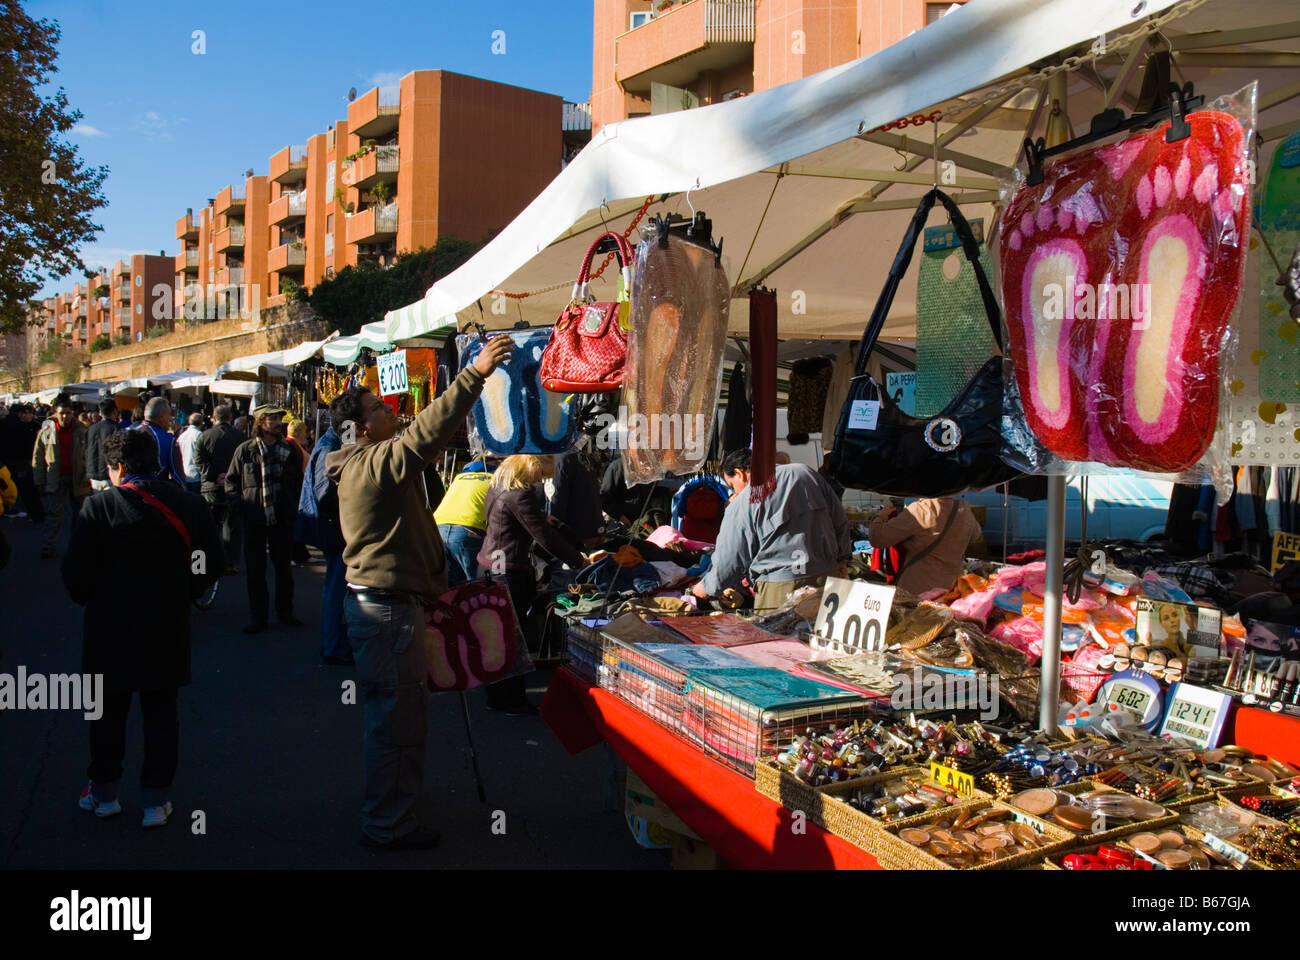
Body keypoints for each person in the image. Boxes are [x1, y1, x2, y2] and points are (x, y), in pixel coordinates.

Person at [324, 334, 513, 849]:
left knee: (397, 718)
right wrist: (473, 375)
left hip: (388, 608)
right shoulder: (371, 464)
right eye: (378, 407)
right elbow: (424, 437)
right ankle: (388, 822)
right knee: (397, 724)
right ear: (362, 427)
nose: (391, 410)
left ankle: (392, 807)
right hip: (384, 613)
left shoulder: (367, 462)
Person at [62, 428, 220, 827]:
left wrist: (93, 596)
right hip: (166, 625)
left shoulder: (98, 509)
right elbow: (208, 564)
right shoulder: (189, 505)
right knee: (161, 715)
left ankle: (104, 793)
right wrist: (188, 588)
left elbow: (76, 573)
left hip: (109, 627)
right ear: (157, 460)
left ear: (116, 468)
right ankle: (155, 801)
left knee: (107, 714)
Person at [478, 454, 587, 714]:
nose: (542, 480)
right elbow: (544, 537)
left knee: (496, 636)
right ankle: (513, 700)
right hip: (507, 571)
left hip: (489, 565)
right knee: (514, 638)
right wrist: (577, 560)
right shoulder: (521, 495)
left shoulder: (499, 485)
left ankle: (495, 696)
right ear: (531, 468)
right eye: (542, 474)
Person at [692, 449, 851, 612]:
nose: (734, 492)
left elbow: (730, 558)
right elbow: (840, 521)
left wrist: (706, 587)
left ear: (740, 474)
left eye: (732, 485)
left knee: (778, 636)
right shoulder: (805, 473)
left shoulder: (744, 500)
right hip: (825, 576)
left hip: (780, 588)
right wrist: (842, 560)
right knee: (820, 635)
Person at [225, 404, 304, 633]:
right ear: (261, 423)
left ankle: (285, 612)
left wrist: (292, 510)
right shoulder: (245, 450)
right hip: (255, 518)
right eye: (272, 419)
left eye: (279, 419)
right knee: (255, 571)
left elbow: (297, 483)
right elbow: (232, 482)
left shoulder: (289, 451)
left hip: (281, 519)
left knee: (283, 570)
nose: (278, 423)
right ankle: (258, 617)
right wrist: (240, 507)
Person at [296, 400, 350, 665]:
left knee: (336, 586)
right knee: (336, 587)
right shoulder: (331, 448)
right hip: (332, 529)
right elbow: (324, 493)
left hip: (332, 527)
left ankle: (335, 643)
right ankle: (334, 646)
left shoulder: (333, 444)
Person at [866, 496, 981, 596]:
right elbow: (975, 535)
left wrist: (879, 517)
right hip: (952, 590)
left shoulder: (920, 510)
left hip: (919, 591)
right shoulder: (963, 509)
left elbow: (878, 538)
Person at [33, 394, 91, 558]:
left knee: (79, 515)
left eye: (68, 413)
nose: (65, 416)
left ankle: (77, 546)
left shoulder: (81, 430)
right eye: (62, 413)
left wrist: (88, 476)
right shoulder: (46, 431)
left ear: (72, 413)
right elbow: (38, 457)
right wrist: (39, 480)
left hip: (78, 478)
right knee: (53, 515)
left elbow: (89, 454)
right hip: (55, 478)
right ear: (56, 413)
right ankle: (48, 545)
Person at [194, 404, 243, 575]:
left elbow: (199, 461)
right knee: (232, 525)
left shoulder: (204, 436)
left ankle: (205, 562)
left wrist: (215, 476)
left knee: (209, 525)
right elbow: (245, 463)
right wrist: (228, 477)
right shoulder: (240, 437)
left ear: (214, 417)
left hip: (210, 487)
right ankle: (229, 562)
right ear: (230, 418)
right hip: (234, 487)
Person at [433, 459, 495, 586]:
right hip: (468, 530)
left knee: (451, 587)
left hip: (439, 528)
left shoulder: (460, 477)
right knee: (476, 586)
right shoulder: (496, 479)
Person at [550, 443, 605, 549]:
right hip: (593, 528)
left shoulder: (562, 459)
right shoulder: (580, 456)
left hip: (578, 534)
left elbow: (557, 501)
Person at [0, 403, 43, 521]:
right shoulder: (22, 426)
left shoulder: (2, 424)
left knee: (7, 488)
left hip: (4, 463)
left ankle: (9, 509)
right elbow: (29, 445)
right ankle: (37, 515)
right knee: (28, 490)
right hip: (21, 462)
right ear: (20, 414)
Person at [137, 397, 183, 485]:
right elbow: (178, 476)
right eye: (169, 414)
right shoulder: (167, 440)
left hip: (127, 493)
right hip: (155, 494)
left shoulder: (127, 432)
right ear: (161, 415)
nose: (171, 419)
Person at [85, 399, 122, 493]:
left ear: (100, 413)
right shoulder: (115, 428)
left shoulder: (91, 428)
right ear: (114, 411)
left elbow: (85, 449)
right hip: (109, 474)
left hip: (92, 473)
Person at [176, 412, 204, 494]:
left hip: (183, 473)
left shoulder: (182, 436)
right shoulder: (200, 435)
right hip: (196, 475)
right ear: (201, 422)